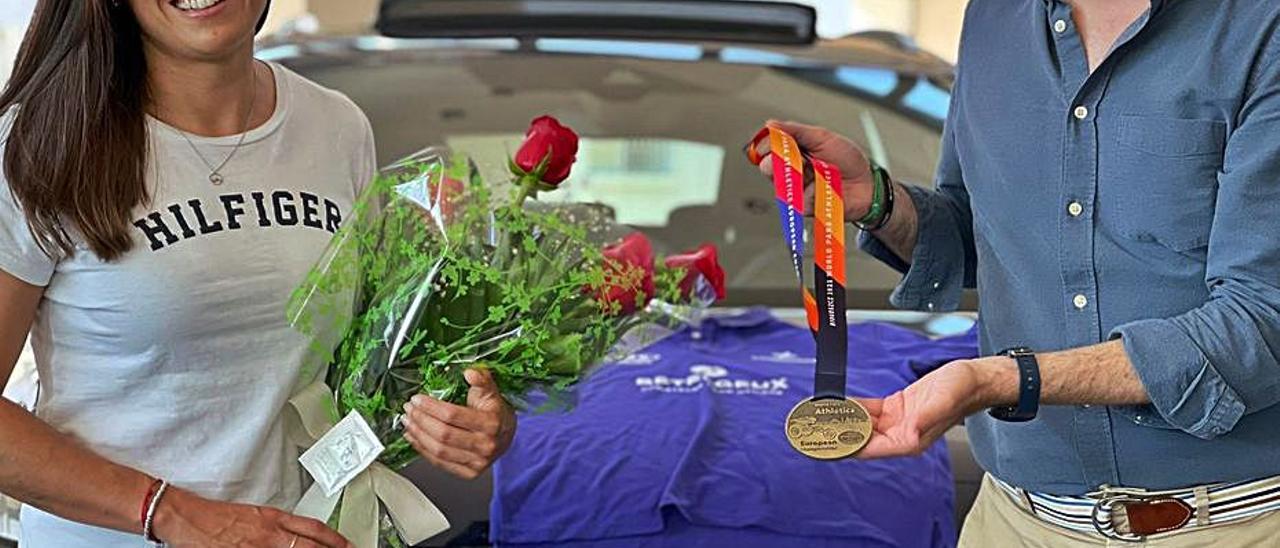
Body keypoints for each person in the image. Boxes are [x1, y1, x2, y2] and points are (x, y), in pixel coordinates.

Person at [758, 0, 1280, 545]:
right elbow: (980, 232)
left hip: (1227, 527)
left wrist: (1004, 380)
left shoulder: (1262, 26)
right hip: (1010, 521)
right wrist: (881, 203)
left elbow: (1263, 318)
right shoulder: (991, 17)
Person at [0, 1, 515, 546]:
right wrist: (176, 514)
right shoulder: (35, 144)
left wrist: (471, 419)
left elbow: (367, 364)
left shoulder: (336, 126)